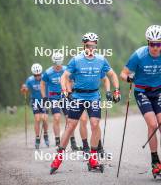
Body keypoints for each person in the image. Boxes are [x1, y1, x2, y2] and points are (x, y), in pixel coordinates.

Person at [50, 32, 121, 174]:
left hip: (94, 96)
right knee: (71, 126)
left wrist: (116, 90)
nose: (91, 49)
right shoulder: (76, 60)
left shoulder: (101, 59)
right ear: (84, 45)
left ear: (96, 46)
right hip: (77, 96)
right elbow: (64, 76)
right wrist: (65, 90)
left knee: (95, 124)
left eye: (93, 46)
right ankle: (58, 157)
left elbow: (112, 75)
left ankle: (93, 159)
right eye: (88, 46)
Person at [120, 25, 161, 176]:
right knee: (152, 124)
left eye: (159, 44)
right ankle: (155, 161)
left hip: (158, 92)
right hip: (142, 92)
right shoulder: (139, 55)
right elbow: (123, 73)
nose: (155, 47)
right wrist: (129, 78)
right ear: (148, 42)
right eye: (152, 44)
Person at [40, 52, 79, 150]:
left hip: (64, 96)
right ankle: (58, 140)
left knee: (69, 119)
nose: (58, 67)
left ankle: (73, 142)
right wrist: (44, 97)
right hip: (53, 97)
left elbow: (72, 80)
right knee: (57, 117)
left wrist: (71, 90)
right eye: (56, 65)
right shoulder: (48, 72)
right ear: (53, 62)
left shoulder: (66, 69)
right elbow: (42, 84)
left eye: (59, 64)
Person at [21, 63, 49, 149]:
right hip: (35, 101)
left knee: (44, 118)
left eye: (39, 75)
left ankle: (45, 134)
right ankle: (37, 138)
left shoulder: (45, 78)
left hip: (44, 100)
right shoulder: (30, 80)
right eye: (35, 75)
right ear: (33, 74)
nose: (37, 76)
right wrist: (24, 89)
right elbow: (24, 89)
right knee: (37, 118)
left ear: (41, 73)